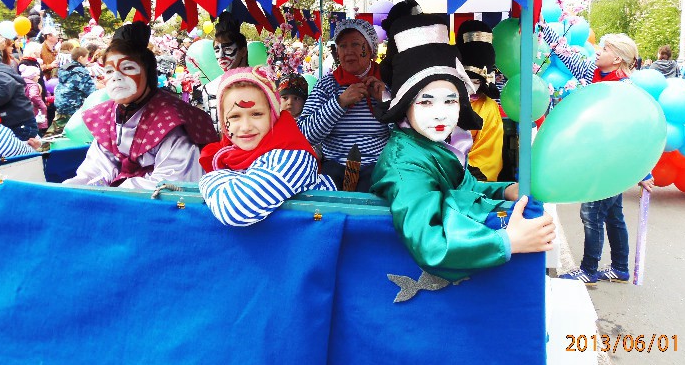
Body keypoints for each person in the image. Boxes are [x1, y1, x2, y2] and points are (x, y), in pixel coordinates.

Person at [370, 15, 555, 280]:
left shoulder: (433, 143)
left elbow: (463, 188)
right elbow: (431, 245)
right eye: (426, 102)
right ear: (405, 104)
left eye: (450, 101)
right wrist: (507, 241)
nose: (440, 114)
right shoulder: (404, 164)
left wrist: (505, 190)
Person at [541, 22, 654, 285]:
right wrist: (543, 26)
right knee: (613, 215)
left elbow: (637, 132)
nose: (598, 51)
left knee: (591, 213)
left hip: (611, 162)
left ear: (617, 59)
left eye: (604, 49)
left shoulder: (626, 90)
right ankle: (620, 268)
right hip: (596, 156)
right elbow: (563, 52)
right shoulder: (592, 73)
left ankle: (589, 270)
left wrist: (643, 170)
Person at [63, 22, 216, 189]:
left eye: (128, 68)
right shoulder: (107, 116)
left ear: (148, 73)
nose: (116, 77)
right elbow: (96, 170)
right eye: (109, 71)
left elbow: (171, 182)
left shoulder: (171, 120)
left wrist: (118, 192)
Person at [199, 66, 335, 226]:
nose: (246, 127)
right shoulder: (230, 154)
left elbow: (234, 209)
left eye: (256, 114)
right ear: (223, 120)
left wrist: (208, 179)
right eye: (234, 116)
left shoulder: (293, 157)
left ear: (273, 114)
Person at [298, 18, 389, 192]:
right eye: (342, 46)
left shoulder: (386, 83)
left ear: (371, 49)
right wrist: (339, 103)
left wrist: (384, 101)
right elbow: (304, 134)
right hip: (334, 167)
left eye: (355, 44)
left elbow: (403, 134)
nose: (348, 52)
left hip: (377, 167)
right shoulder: (326, 85)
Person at [456, 19, 504, 181]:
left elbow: (487, 158)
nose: (470, 87)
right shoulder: (440, 99)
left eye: (476, 82)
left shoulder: (488, 108)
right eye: (464, 80)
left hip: (469, 180)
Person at [202, 12, 249, 129]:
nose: (221, 56)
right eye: (217, 50)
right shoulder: (209, 89)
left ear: (243, 51)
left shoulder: (261, 84)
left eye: (227, 49)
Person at [46, 47, 96, 135]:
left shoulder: (65, 68)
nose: (87, 60)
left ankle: (45, 141)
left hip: (60, 102)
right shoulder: (81, 72)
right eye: (86, 57)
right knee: (73, 130)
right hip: (73, 105)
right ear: (80, 58)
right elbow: (90, 91)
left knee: (56, 127)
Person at [19, 65, 48, 132]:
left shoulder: (21, 82)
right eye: (38, 75)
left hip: (23, 110)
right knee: (36, 130)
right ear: (32, 76)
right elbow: (33, 95)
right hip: (33, 111)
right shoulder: (33, 85)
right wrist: (42, 105)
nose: (39, 77)